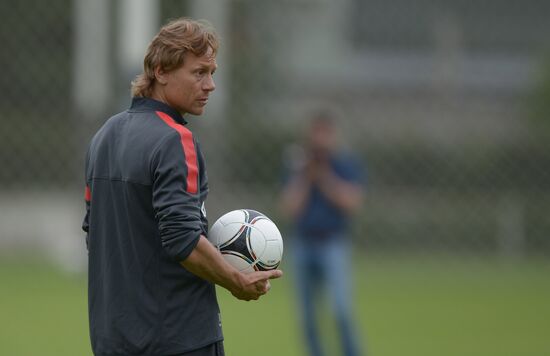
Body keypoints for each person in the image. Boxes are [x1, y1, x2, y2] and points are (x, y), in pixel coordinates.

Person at [82, 18, 282, 356]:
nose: (211, 85)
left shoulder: (104, 135)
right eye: (199, 72)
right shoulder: (175, 139)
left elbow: (94, 232)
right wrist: (236, 281)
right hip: (177, 337)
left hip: (112, 339)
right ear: (160, 71)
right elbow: (182, 239)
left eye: (212, 72)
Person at [280, 112, 364, 356]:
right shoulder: (298, 166)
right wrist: (306, 177)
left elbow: (351, 203)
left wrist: (325, 177)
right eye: (316, 133)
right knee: (306, 316)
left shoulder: (344, 164)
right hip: (302, 244)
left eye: (325, 134)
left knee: (341, 310)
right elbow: (289, 207)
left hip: (333, 243)